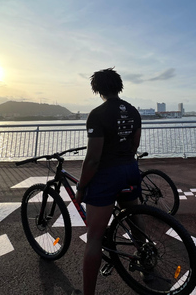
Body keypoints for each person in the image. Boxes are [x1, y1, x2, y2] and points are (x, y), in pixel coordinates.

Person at [75, 68, 142, 295]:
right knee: (134, 219)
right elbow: (134, 146)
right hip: (130, 169)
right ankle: (147, 262)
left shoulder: (97, 114)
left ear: (98, 89)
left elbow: (93, 159)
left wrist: (81, 187)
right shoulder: (133, 111)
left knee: (94, 236)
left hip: (106, 176)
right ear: (119, 85)